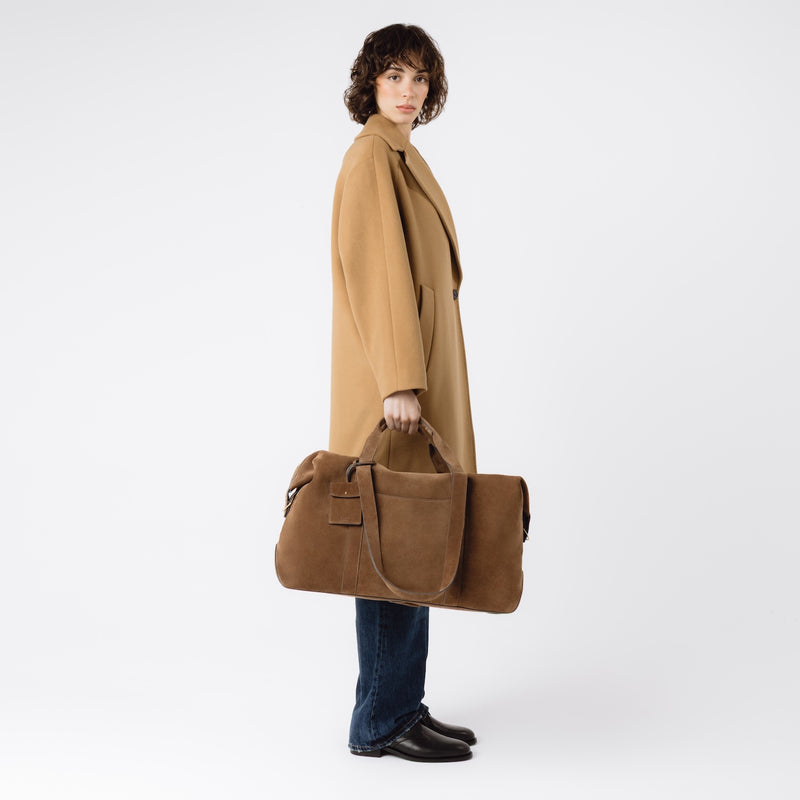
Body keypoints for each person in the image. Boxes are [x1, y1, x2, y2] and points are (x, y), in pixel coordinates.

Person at [330, 24, 477, 763]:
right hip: (399, 391)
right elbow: (378, 273)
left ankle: (399, 704)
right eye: (394, 76)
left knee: (412, 540)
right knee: (394, 543)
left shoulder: (401, 155)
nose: (409, 91)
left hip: (419, 376)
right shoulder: (370, 158)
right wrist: (398, 382)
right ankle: (381, 721)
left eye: (420, 78)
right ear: (370, 83)